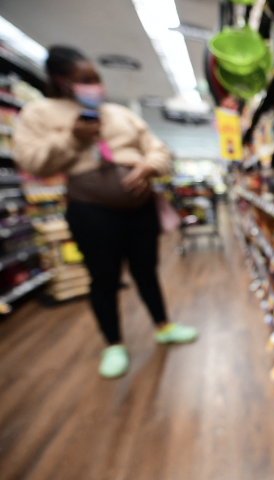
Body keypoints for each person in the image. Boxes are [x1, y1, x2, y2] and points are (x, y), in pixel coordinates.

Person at [12, 45, 198, 379]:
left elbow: (158, 149)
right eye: (84, 80)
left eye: (95, 78)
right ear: (61, 81)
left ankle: (163, 325)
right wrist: (71, 138)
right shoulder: (40, 114)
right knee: (104, 279)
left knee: (146, 270)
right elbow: (30, 161)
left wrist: (148, 167)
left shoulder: (120, 114)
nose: (94, 86)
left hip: (138, 207)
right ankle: (113, 344)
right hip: (91, 211)